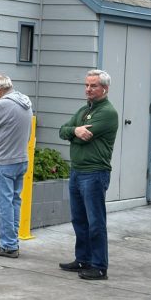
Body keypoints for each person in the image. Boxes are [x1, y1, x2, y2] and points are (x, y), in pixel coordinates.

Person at [58, 69, 118, 281]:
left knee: (95, 222)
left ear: (105, 88)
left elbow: (86, 137)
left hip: (94, 173)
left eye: (93, 86)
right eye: (87, 85)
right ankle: (83, 259)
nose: (88, 89)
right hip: (77, 172)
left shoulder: (107, 112)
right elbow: (63, 130)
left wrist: (73, 133)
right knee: (79, 219)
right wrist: (75, 131)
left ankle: (99, 266)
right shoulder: (84, 110)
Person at [0, 74, 33, 258]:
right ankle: (12, 241)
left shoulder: (2, 105)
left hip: (4, 161)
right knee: (14, 203)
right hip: (21, 159)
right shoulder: (25, 102)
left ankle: (8, 245)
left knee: (2, 205)